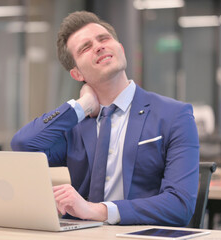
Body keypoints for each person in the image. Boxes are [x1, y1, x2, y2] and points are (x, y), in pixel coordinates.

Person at [11, 11, 199, 226]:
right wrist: (82, 107)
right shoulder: (75, 124)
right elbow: (23, 145)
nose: (99, 46)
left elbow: (180, 205)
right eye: (85, 47)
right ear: (77, 74)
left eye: (104, 39)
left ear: (121, 49)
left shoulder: (174, 115)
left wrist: (96, 210)